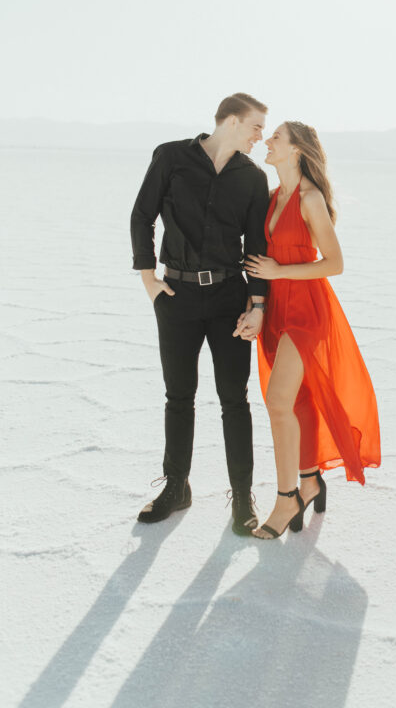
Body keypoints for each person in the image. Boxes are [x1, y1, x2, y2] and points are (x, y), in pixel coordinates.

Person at [130, 92, 270, 535]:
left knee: (235, 399)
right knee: (179, 395)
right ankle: (176, 487)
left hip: (230, 297)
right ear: (231, 121)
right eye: (255, 127)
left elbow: (257, 248)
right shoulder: (172, 157)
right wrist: (148, 278)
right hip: (177, 296)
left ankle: (242, 497)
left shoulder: (252, 178)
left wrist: (259, 303)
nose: (259, 137)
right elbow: (141, 215)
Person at [243, 121, 381, 539]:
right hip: (277, 308)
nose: (267, 141)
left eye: (276, 138)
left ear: (297, 150)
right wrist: (256, 307)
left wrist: (280, 270)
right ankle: (309, 480)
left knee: (277, 399)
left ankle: (288, 497)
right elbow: (260, 265)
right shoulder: (270, 199)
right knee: (296, 400)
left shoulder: (310, 198)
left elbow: (334, 263)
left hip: (307, 309)